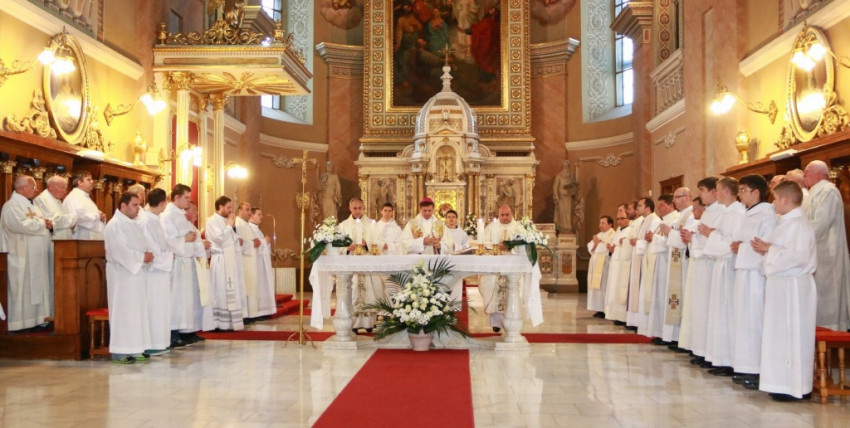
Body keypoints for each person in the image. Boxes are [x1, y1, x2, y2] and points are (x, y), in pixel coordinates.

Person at [751, 181, 817, 402]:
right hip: (782, 286)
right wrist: (768, 250)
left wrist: (769, 250)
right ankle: (781, 382)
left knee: (792, 336)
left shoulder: (798, 224)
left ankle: (796, 387)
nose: (773, 203)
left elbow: (798, 257)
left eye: (776, 199)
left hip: (793, 289)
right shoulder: (787, 223)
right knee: (779, 335)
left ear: (786, 200)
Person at [729, 174, 777, 390]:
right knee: (742, 321)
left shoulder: (767, 215)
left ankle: (756, 369)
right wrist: (738, 246)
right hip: (743, 274)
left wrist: (741, 248)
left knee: (754, 320)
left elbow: (765, 245)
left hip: (756, 277)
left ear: (756, 192)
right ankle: (743, 365)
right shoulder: (747, 214)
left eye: (743, 190)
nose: (739, 194)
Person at [701, 177, 746, 376]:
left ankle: (728, 360)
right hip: (721, 266)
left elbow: (731, 244)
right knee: (718, 313)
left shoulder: (738, 213)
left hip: (729, 268)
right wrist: (712, 235)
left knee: (727, 313)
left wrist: (711, 235)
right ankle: (719, 358)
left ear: (727, 192)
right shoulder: (726, 212)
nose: (716, 193)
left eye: (718, 190)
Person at [103, 192, 152, 364]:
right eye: (135, 205)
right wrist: (141, 257)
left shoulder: (132, 223)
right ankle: (120, 351)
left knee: (136, 311)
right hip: (121, 274)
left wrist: (145, 255)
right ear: (123, 206)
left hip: (135, 273)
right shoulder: (114, 225)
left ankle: (136, 348)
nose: (138, 208)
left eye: (139, 205)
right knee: (123, 311)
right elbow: (118, 250)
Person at [803, 160, 850, 331]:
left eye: (807, 172)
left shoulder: (828, 191)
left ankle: (831, 332)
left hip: (827, 252)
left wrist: (799, 239)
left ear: (819, 174)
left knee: (828, 294)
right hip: (814, 251)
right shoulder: (813, 193)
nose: (804, 175)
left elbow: (820, 224)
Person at [0, 175, 52, 331]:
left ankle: (38, 319)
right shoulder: (11, 206)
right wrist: (43, 224)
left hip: (36, 255)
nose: (36, 189)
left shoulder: (32, 205)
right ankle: (20, 323)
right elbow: (18, 225)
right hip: (20, 255)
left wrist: (47, 224)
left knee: (38, 288)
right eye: (33, 186)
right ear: (22, 188)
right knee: (22, 289)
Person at [161, 185, 210, 347]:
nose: (189, 201)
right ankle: (174, 334)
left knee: (187, 300)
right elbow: (169, 240)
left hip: (188, 262)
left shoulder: (180, 215)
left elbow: (192, 237)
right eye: (186, 197)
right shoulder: (168, 215)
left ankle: (187, 330)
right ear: (176, 197)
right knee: (177, 300)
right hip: (178, 264)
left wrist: (195, 243)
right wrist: (186, 241)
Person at [686, 177, 724, 368]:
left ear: (714, 191)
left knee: (708, 309)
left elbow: (715, 238)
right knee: (699, 308)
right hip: (700, 265)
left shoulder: (721, 211)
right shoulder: (709, 211)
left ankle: (709, 353)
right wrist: (694, 238)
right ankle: (701, 350)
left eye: (702, 190)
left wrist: (694, 239)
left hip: (710, 265)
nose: (700, 194)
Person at [134, 187, 174, 356]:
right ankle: (152, 342)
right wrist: (167, 257)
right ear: (163, 203)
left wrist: (167, 254)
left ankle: (161, 341)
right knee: (153, 306)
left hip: (160, 270)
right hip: (152, 272)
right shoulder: (146, 221)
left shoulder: (156, 219)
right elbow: (150, 248)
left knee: (161, 306)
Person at [33, 175, 76, 317]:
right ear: (51, 186)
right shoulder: (42, 200)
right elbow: (54, 221)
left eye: (65, 187)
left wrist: (69, 220)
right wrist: (70, 219)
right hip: (53, 245)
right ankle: (52, 313)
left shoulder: (57, 201)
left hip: (64, 244)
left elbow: (65, 220)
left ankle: (60, 311)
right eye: (62, 187)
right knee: (54, 278)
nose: (65, 191)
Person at [477, 204, 524, 332]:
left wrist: (511, 246)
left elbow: (524, 246)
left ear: (512, 213)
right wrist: (495, 246)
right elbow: (483, 243)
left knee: (512, 292)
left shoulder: (519, 228)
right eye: (502, 215)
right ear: (498, 215)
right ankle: (496, 323)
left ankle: (511, 321)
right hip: (495, 265)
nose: (504, 217)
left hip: (512, 265)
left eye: (507, 214)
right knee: (492, 288)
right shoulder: (491, 227)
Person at [339, 197, 381, 333]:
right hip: (351, 264)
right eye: (355, 208)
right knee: (354, 291)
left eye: (360, 208)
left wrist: (367, 244)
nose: (357, 211)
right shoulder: (343, 226)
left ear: (363, 208)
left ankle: (369, 323)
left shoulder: (371, 224)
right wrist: (347, 248)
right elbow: (338, 245)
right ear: (350, 208)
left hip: (367, 263)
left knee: (369, 290)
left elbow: (379, 242)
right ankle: (354, 323)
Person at [205, 196, 246, 331]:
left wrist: (237, 238)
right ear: (220, 207)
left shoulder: (226, 221)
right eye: (228, 207)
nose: (230, 210)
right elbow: (220, 239)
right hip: (220, 261)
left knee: (231, 289)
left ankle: (231, 322)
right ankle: (219, 323)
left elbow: (230, 239)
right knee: (221, 290)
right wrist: (229, 226)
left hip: (230, 260)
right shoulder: (211, 221)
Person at [660, 187, 693, 350]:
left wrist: (669, 233)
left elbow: (682, 240)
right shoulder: (680, 217)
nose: (674, 201)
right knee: (674, 299)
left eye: (677, 197)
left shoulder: (691, 216)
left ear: (687, 197)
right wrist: (669, 233)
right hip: (675, 263)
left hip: (684, 265)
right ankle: (672, 337)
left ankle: (680, 339)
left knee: (682, 299)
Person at [643, 195, 679, 342]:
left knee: (665, 298)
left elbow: (671, 241)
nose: (659, 208)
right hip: (659, 263)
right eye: (658, 205)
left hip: (668, 264)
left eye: (662, 205)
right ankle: (661, 332)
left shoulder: (675, 219)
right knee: (659, 298)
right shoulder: (663, 221)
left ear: (671, 205)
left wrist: (654, 237)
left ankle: (669, 335)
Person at [677, 196, 706, 354]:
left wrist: (691, 239)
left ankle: (697, 347)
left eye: (695, 208)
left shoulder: (703, 223)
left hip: (704, 269)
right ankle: (692, 345)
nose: (693, 211)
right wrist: (691, 240)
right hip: (695, 267)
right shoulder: (695, 223)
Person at [631, 197, 659, 333]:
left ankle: (645, 323)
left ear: (647, 208)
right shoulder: (644, 220)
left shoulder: (654, 220)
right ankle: (640, 322)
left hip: (648, 259)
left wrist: (638, 242)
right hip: (641, 258)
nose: (638, 208)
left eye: (640, 206)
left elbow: (650, 240)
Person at [604, 206, 632, 325]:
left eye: (622, 218)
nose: (619, 221)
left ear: (628, 218)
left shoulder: (630, 230)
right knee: (613, 289)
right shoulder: (618, 231)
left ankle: (622, 317)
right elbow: (614, 245)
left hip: (623, 265)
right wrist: (611, 249)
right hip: (615, 264)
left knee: (621, 290)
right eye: (618, 219)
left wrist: (619, 247)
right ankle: (614, 314)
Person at [247, 208, 276, 320]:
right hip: (255, 263)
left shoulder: (257, 229)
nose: (262, 216)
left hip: (262, 262)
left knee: (262, 286)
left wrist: (265, 242)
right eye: (259, 214)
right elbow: (253, 246)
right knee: (257, 287)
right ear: (252, 215)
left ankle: (263, 311)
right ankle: (257, 312)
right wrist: (265, 241)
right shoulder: (249, 228)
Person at [235, 202, 262, 322]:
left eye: (250, 210)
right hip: (243, 261)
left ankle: (250, 313)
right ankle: (244, 315)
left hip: (251, 260)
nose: (249, 212)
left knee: (251, 287)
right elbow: (239, 243)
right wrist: (252, 243)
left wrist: (255, 242)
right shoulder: (237, 224)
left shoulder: (246, 224)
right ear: (239, 210)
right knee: (245, 287)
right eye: (247, 210)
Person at [586, 216, 615, 318]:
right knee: (596, 287)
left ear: (610, 224)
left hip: (604, 264)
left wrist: (598, 244)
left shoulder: (613, 234)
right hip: (595, 264)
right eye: (600, 223)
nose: (600, 225)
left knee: (603, 286)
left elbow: (607, 248)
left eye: (603, 223)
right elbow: (590, 246)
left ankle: (604, 309)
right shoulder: (599, 235)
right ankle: (598, 308)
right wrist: (596, 244)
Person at [63, 172, 106, 239]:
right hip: (82, 238)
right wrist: (98, 216)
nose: (92, 182)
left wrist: (101, 215)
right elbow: (77, 218)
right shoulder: (74, 197)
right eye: (88, 179)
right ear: (80, 182)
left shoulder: (85, 197)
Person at [553, 161, 577, 233]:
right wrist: (556, 196)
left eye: (567, 166)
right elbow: (555, 187)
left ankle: (568, 229)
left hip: (569, 198)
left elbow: (574, 186)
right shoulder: (559, 176)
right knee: (562, 214)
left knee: (568, 215)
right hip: (561, 198)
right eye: (564, 166)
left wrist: (572, 188)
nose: (566, 168)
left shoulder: (571, 176)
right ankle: (562, 228)